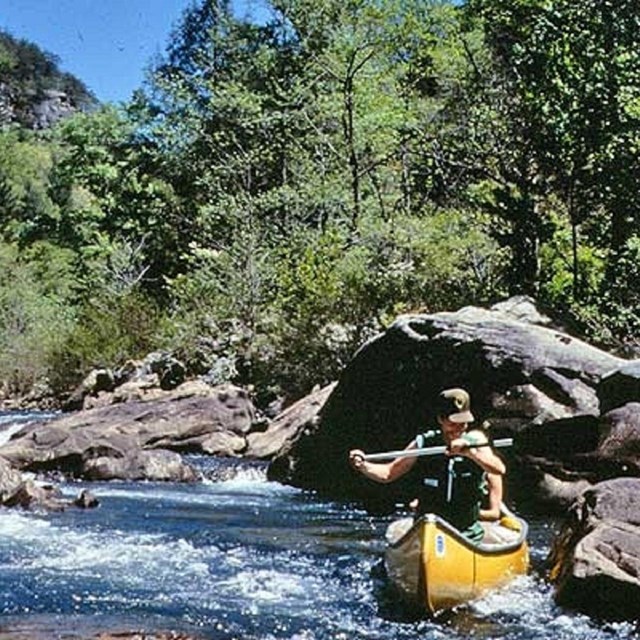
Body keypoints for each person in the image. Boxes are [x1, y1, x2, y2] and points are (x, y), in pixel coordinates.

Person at [349, 388, 505, 543]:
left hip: (467, 535)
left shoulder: (476, 441)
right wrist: (363, 465)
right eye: (453, 422)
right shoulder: (423, 443)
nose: (458, 428)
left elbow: (499, 468)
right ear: (440, 419)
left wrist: (471, 454)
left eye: (463, 423)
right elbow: (389, 473)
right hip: (428, 533)